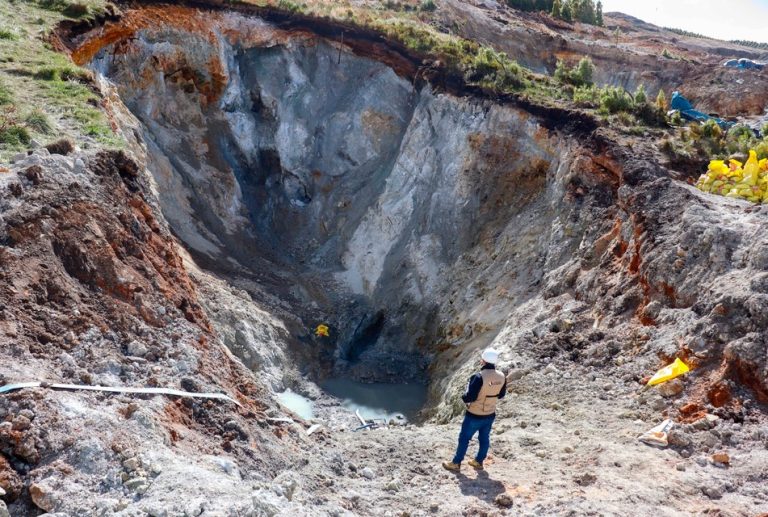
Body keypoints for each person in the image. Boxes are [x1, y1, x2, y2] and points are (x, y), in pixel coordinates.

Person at [442, 348, 506, 471]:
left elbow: (469, 397)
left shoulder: (478, 377)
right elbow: (501, 395)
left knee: (464, 438)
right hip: (490, 414)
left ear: (483, 361)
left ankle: (456, 463)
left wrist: (464, 397)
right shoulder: (502, 376)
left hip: (474, 415)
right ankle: (478, 461)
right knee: (484, 438)